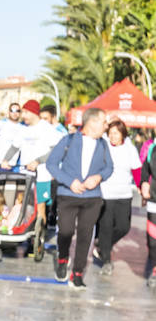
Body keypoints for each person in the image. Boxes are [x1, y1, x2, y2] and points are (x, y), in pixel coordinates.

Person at [45, 107, 113, 289]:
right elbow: (51, 164)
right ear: (92, 122)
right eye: (104, 122)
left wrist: (99, 177)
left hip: (92, 198)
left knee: (85, 235)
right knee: (65, 231)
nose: (107, 126)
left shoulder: (103, 144)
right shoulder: (68, 140)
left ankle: (77, 273)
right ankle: (62, 257)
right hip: (68, 194)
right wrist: (69, 181)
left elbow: (109, 168)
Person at [95, 118, 141, 276]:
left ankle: (101, 245)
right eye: (111, 133)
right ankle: (107, 261)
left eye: (117, 133)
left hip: (124, 194)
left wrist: (141, 186)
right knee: (106, 227)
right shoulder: (103, 146)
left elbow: (136, 169)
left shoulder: (130, 149)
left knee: (123, 227)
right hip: (105, 193)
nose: (113, 136)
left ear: (123, 134)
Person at [19, 100, 63, 230]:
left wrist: (38, 161)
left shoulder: (46, 128)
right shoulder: (23, 129)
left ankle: (39, 241)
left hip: (41, 176)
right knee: (25, 207)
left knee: (40, 208)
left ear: (33, 112)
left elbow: (56, 149)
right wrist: (6, 161)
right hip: (25, 175)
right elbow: (14, 147)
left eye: (26, 112)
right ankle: (27, 236)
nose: (23, 115)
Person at [0, 102, 25, 171]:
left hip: (13, 165)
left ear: (20, 113)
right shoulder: (2, 123)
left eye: (17, 111)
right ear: (8, 112)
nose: (15, 113)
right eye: (12, 111)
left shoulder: (23, 127)